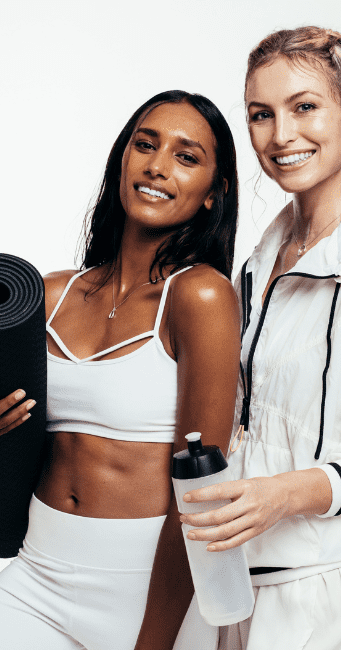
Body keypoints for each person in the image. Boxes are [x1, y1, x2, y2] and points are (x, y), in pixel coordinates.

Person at [179, 26, 341, 650]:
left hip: (323, 597)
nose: (281, 135)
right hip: (233, 585)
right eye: (261, 115)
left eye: (304, 107)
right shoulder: (260, 257)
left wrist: (282, 495)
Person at [0, 90, 239, 650]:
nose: (157, 166)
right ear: (122, 160)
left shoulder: (200, 296)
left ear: (213, 193)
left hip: (144, 593)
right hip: (37, 576)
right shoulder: (49, 294)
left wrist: (153, 644)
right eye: (145, 145)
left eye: (187, 157)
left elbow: (201, 492)